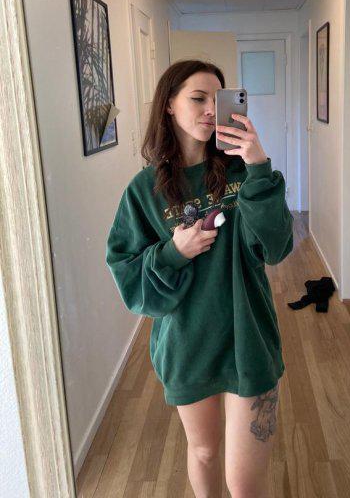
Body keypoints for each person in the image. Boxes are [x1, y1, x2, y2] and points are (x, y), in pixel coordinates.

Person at [105, 59, 294, 497]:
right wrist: (174, 252)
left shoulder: (245, 172)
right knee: (205, 451)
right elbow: (128, 277)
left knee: (245, 484)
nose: (211, 109)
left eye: (218, 99)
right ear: (169, 105)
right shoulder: (144, 190)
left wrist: (258, 165)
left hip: (248, 339)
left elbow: (277, 247)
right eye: (198, 98)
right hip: (187, 344)